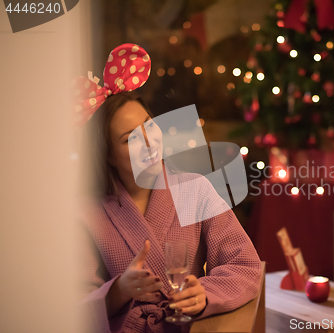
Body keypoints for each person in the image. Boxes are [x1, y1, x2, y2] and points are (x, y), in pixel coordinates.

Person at [77, 43, 261, 333]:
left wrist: (204, 294)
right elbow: (72, 302)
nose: (149, 144)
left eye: (149, 126)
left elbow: (244, 265)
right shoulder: (88, 213)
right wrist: (119, 290)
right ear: (109, 154)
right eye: (129, 139)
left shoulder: (195, 189)